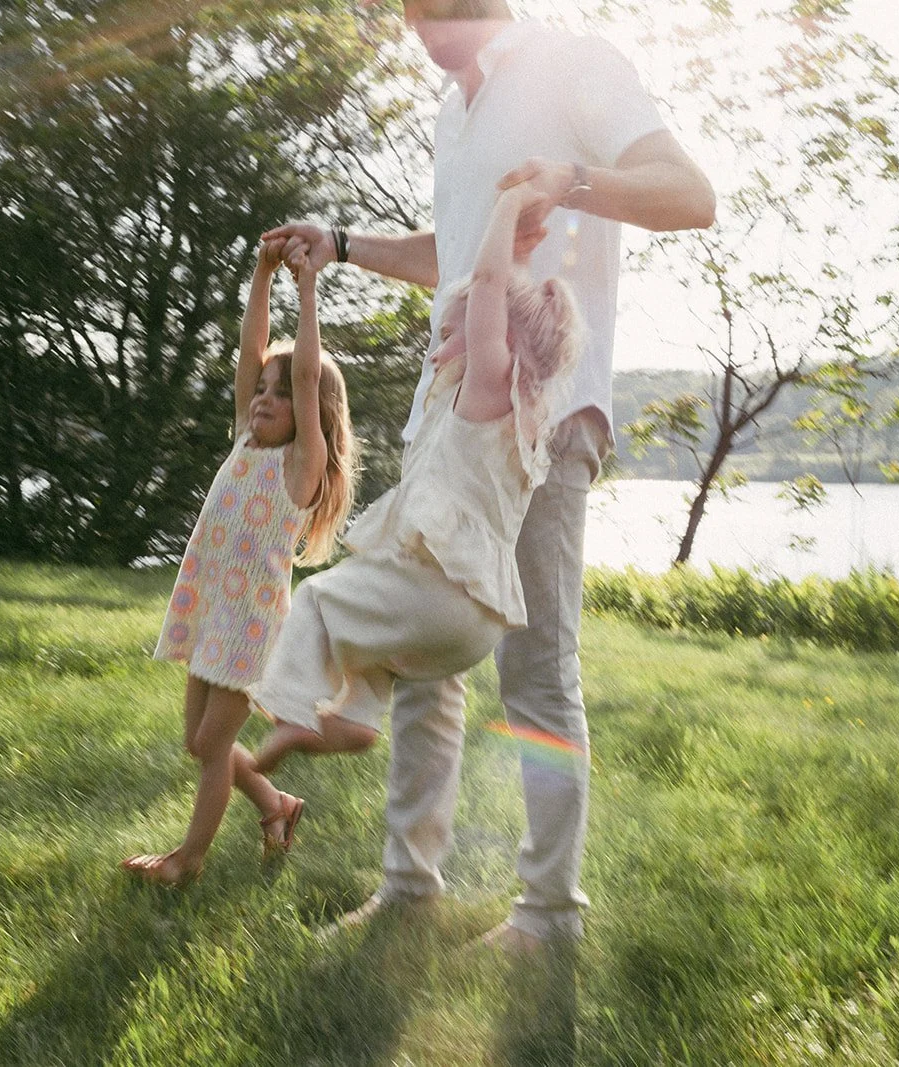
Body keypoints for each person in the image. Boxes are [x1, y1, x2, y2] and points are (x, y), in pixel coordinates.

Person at [263, 0, 714, 949]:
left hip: (539, 408)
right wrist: (342, 245)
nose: (417, 26)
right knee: (427, 655)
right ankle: (408, 888)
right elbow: (454, 254)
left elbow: (689, 194)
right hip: (448, 412)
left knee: (536, 665)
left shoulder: (574, 63)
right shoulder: (452, 110)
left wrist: (573, 179)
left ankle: (549, 914)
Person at [237, 183, 579, 837]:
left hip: (440, 592)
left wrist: (506, 205)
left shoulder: (487, 389)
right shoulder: (525, 422)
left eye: (449, 331)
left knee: (317, 603)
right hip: (470, 626)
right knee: (369, 645)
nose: (438, 344)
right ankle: (356, 717)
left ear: (495, 338)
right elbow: (487, 299)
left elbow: (484, 286)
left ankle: (294, 712)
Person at [122, 237, 358, 885]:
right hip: (211, 608)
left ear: (310, 414)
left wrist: (307, 286)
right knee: (198, 742)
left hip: (251, 621)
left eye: (280, 396)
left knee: (210, 748)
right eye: (262, 391)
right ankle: (278, 805)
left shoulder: (298, 464)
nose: (264, 398)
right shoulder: (247, 439)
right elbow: (251, 355)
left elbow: (305, 374)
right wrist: (260, 273)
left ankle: (186, 861)